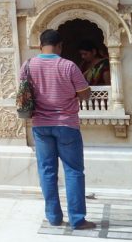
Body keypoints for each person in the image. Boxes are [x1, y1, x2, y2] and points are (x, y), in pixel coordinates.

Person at [26, 29, 96, 230]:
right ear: (59, 46)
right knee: (73, 171)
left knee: (47, 171)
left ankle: (54, 216)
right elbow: (84, 95)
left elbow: (23, 92)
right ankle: (77, 219)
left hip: (40, 125)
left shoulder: (29, 65)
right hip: (66, 124)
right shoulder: (68, 66)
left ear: (41, 45)